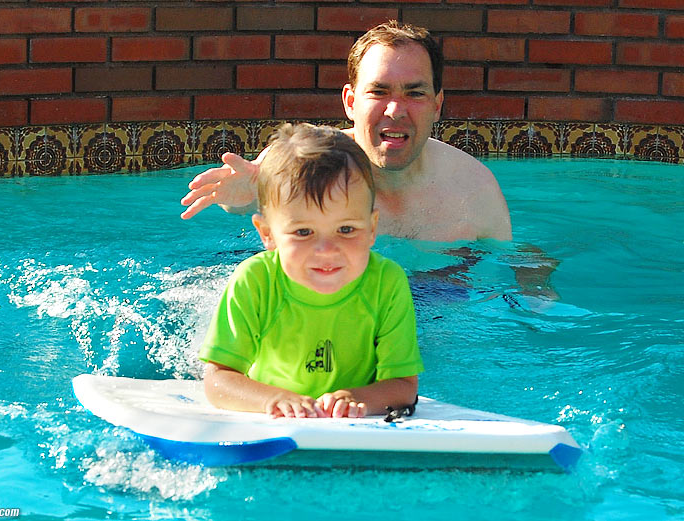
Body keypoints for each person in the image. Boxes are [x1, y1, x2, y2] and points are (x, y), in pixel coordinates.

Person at [180, 20, 512, 243]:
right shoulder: (304, 162)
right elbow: (255, 201)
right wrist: (248, 199)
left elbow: (519, 264)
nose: (395, 110)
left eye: (414, 93)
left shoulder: (473, 189)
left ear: (437, 105)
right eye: (379, 92)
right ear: (350, 102)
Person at [199, 123, 424, 419]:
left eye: (346, 229)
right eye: (304, 231)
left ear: (372, 228)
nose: (327, 250)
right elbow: (217, 380)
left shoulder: (387, 282)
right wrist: (274, 399)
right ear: (267, 234)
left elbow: (404, 386)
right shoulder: (254, 281)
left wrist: (356, 398)